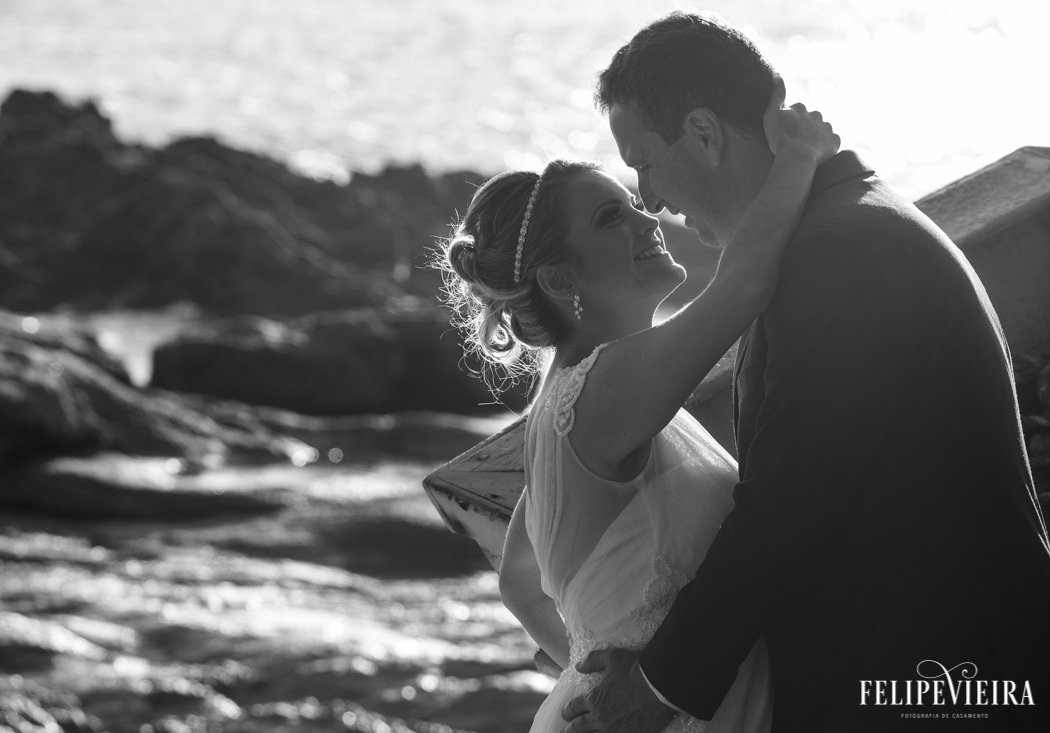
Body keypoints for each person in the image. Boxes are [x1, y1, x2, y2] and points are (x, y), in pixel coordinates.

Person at [558, 12, 1050, 733]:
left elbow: (789, 501)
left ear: (703, 133)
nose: (652, 200)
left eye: (645, 163)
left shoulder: (838, 256)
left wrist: (661, 684)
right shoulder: (835, 229)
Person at [437, 78, 838, 732]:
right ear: (561, 279)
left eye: (629, 202)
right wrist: (800, 156)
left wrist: (594, 669)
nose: (647, 218)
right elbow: (743, 287)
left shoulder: (583, 398)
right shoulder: (598, 391)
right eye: (609, 217)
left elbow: (518, 576)